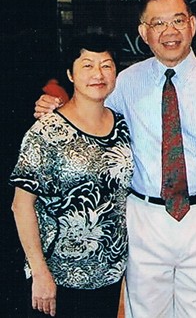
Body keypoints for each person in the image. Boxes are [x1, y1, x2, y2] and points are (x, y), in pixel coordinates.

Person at [35, 0, 196, 317]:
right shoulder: (124, 83)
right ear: (144, 32)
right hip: (144, 215)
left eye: (178, 20)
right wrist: (56, 106)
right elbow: (88, 114)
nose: (169, 32)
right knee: (145, 311)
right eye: (158, 23)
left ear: (192, 24)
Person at [11, 33, 133, 317]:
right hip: (58, 275)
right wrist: (40, 273)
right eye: (87, 65)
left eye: (106, 65)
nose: (98, 74)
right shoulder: (46, 131)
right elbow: (21, 205)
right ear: (70, 74)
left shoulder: (122, 126)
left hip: (108, 273)